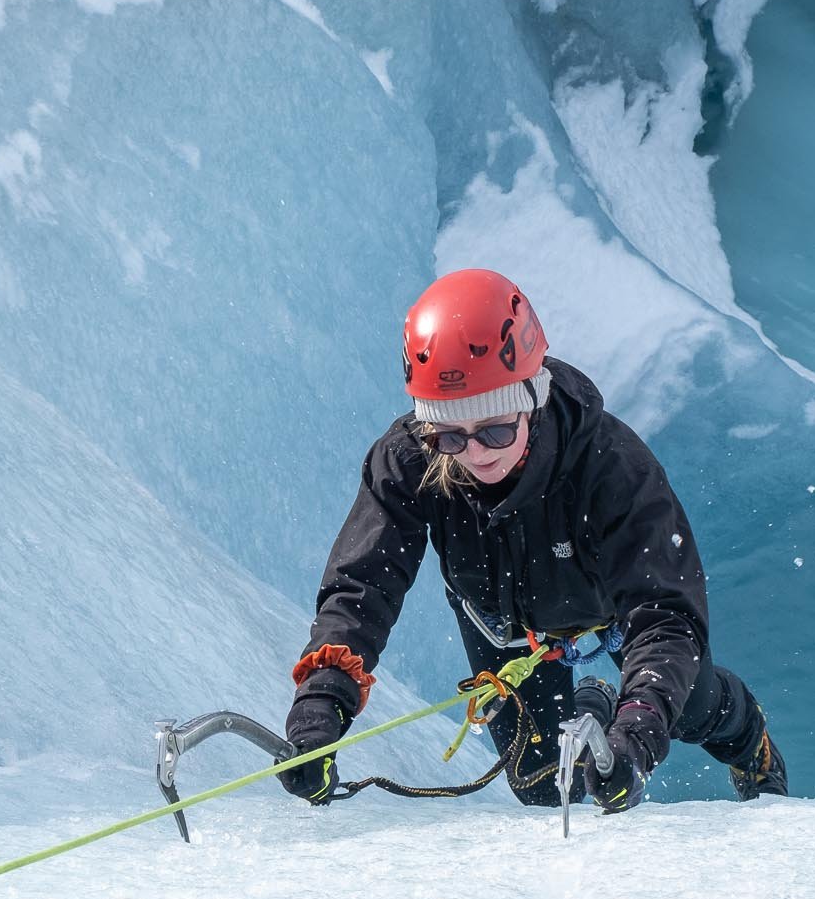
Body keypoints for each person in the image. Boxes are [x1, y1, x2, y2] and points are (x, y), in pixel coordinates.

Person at [278, 267, 786, 812]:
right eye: (450, 435)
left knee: (686, 710)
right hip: (502, 623)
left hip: (607, 611)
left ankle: (747, 739)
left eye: (495, 429)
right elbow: (364, 585)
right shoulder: (408, 461)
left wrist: (637, 728)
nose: (476, 453)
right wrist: (323, 696)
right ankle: (594, 705)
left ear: (533, 396)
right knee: (544, 785)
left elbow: (665, 614)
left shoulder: (613, 468)